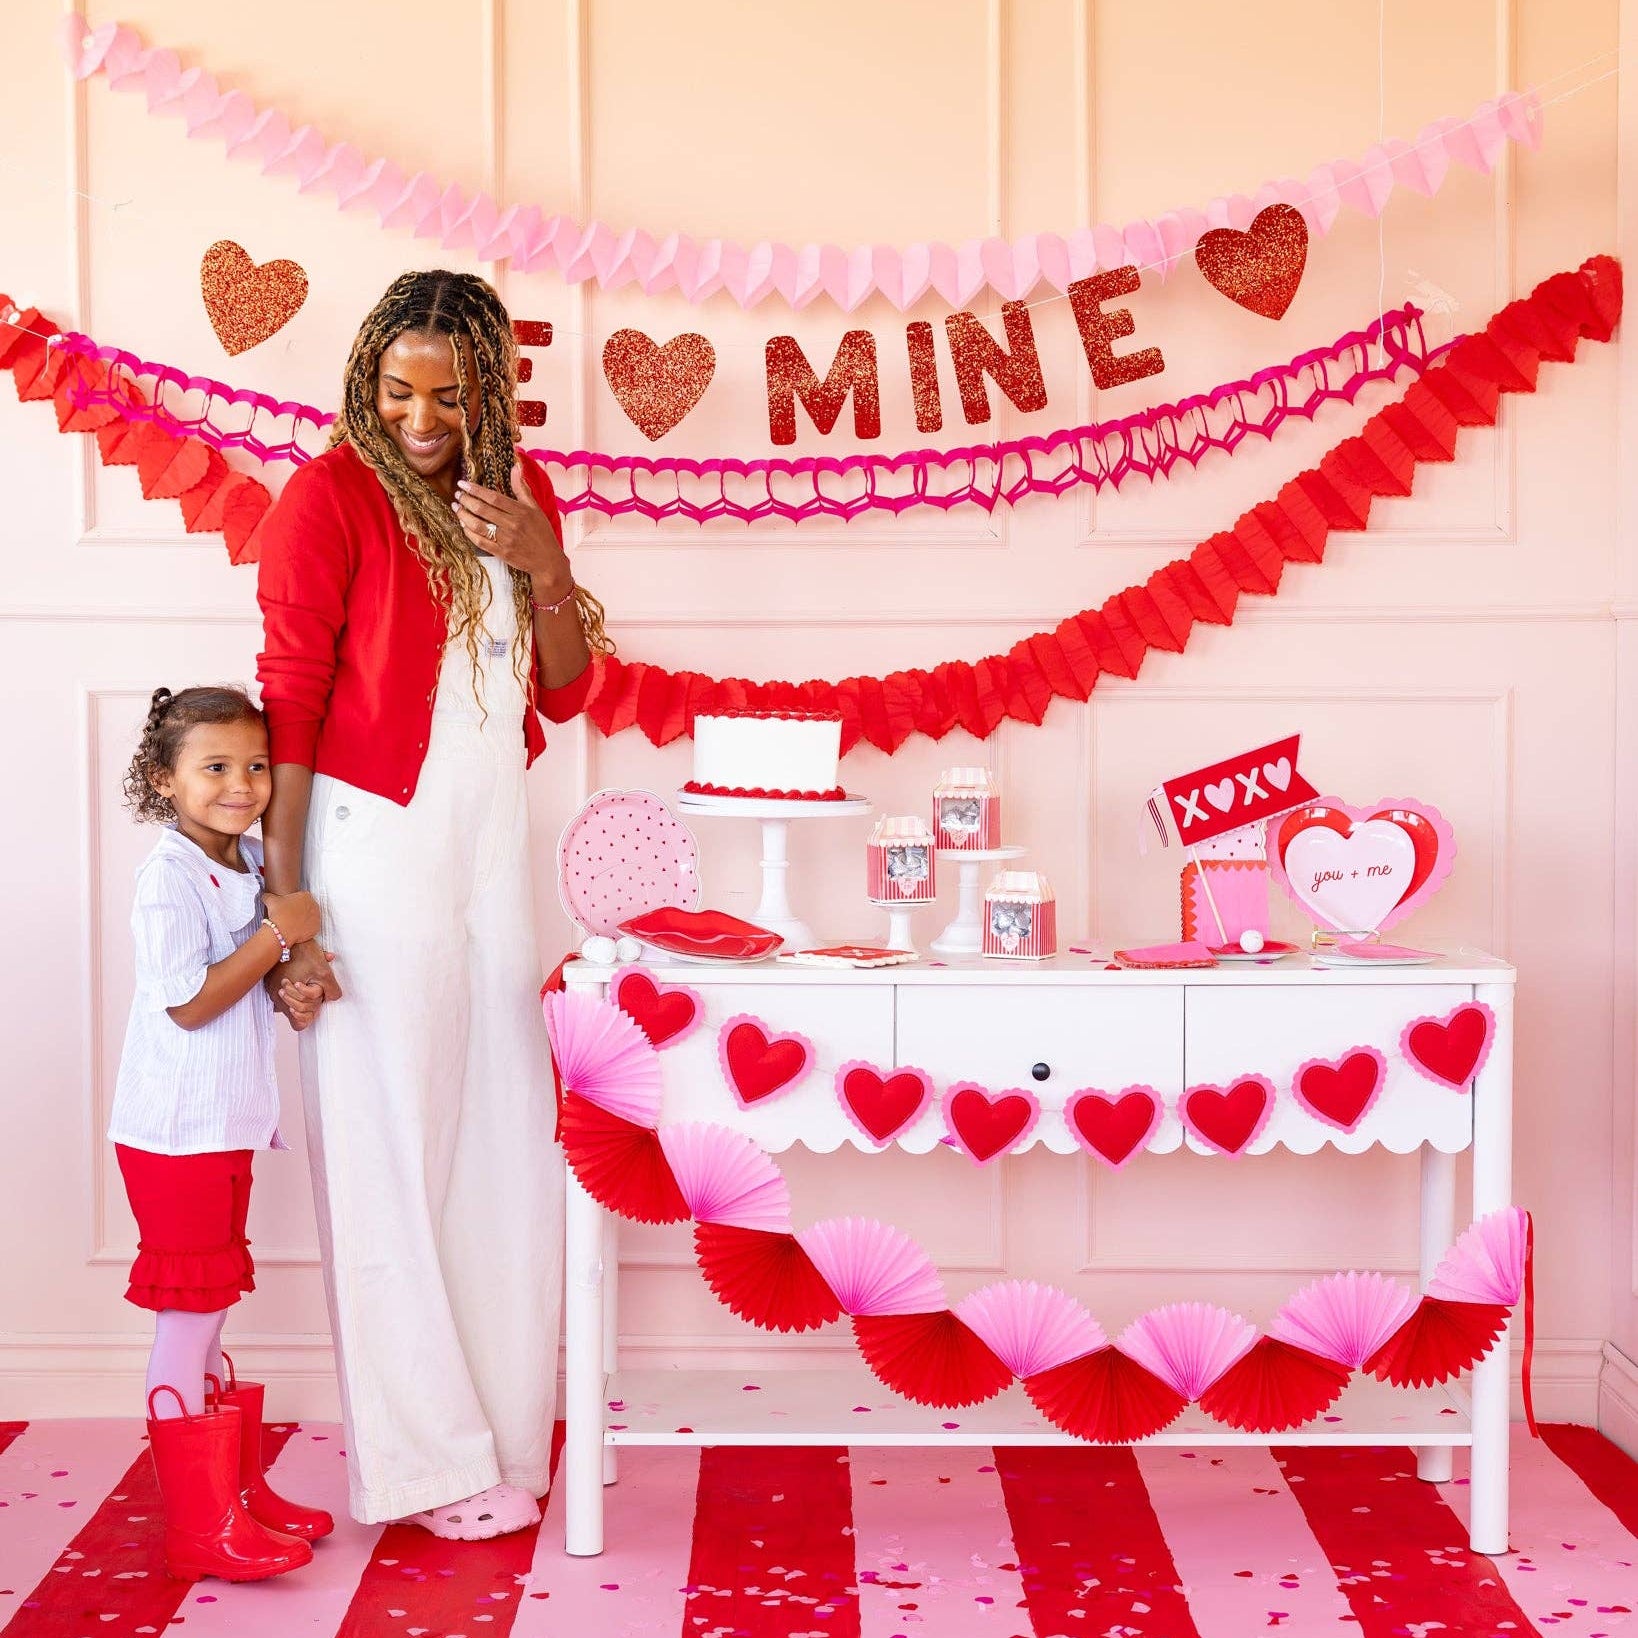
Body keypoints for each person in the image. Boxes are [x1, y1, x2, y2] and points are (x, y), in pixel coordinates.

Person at [255, 269, 608, 1538]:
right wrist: (285, 897)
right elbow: (290, 696)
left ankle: (507, 1434)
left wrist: (542, 553)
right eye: (398, 391)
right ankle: (425, 1468)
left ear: (492, 390)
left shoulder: (519, 496)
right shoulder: (330, 494)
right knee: (391, 1146)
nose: (420, 417)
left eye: (448, 395)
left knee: (509, 1131)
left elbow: (564, 695)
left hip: (489, 848)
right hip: (372, 847)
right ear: (367, 379)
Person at [111, 685, 334, 1582]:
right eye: (214, 767)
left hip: (220, 1129)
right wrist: (280, 935)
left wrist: (290, 979)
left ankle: (234, 1496)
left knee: (210, 1317)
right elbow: (192, 1003)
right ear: (164, 780)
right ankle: (200, 1524)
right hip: (175, 1134)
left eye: (253, 767)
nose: (241, 784)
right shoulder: (167, 877)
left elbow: (243, 984)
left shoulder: (239, 862)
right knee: (188, 1319)